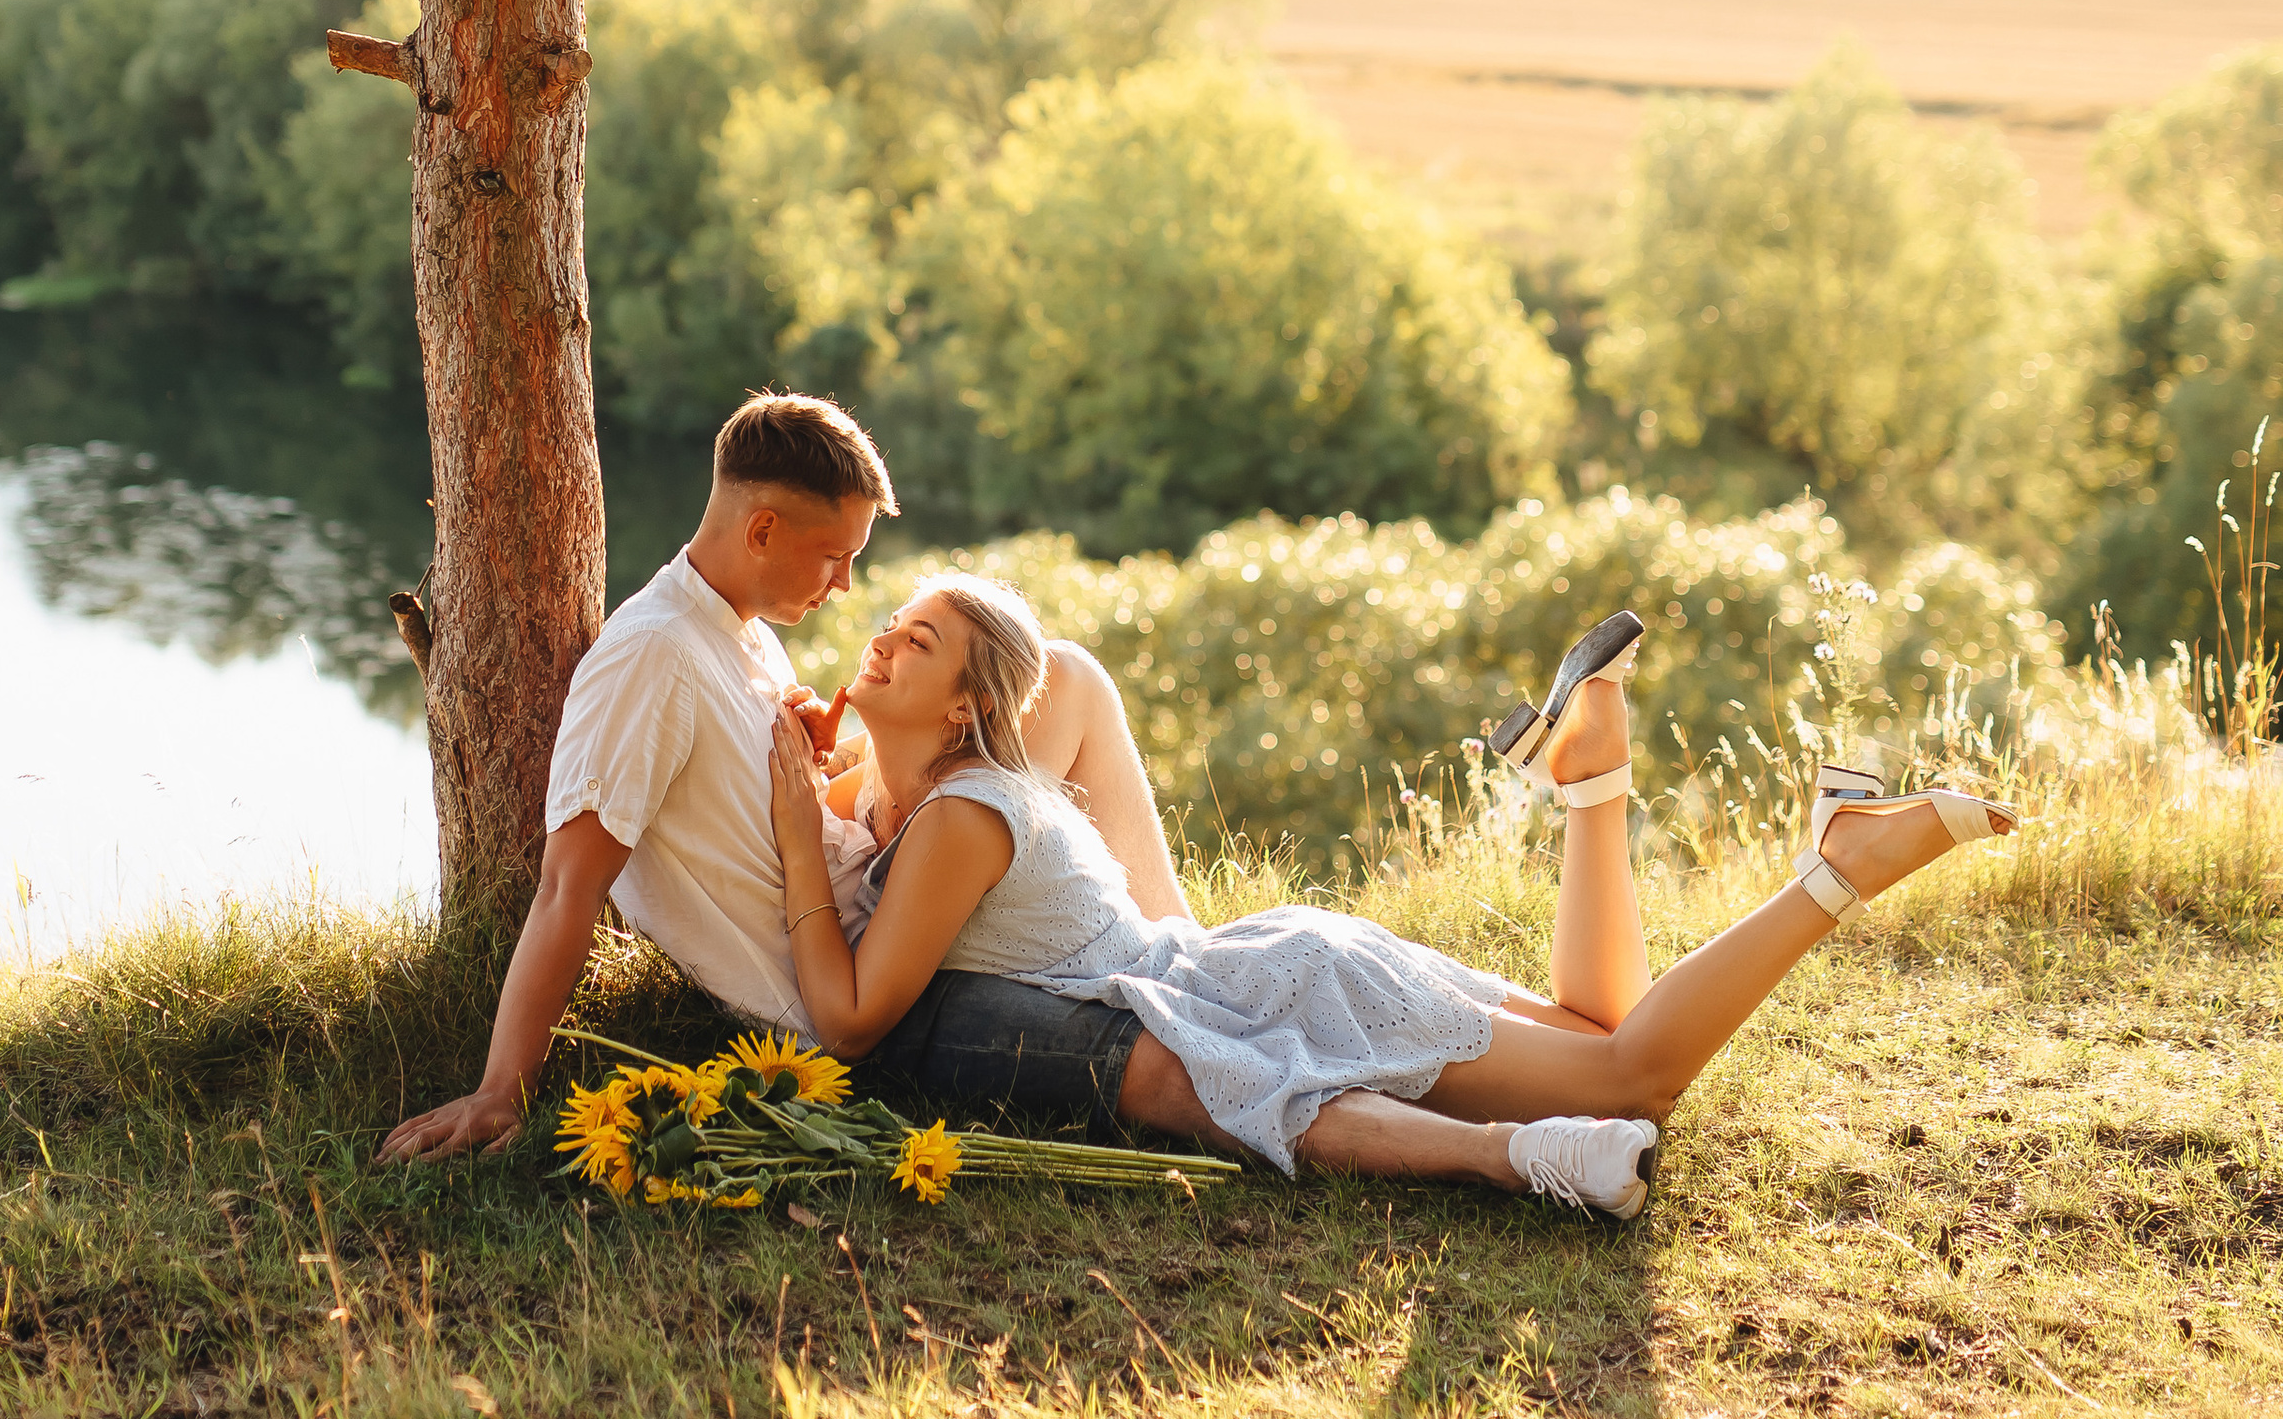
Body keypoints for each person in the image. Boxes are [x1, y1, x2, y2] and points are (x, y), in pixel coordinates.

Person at [767, 571, 2020, 1217]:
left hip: (1279, 987)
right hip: (1271, 961)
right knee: (1593, 1033)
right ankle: (1592, 778)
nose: (877, 639)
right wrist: (832, 777)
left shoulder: (957, 817)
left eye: (914, 640)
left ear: (971, 706)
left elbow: (852, 1016)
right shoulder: (916, 798)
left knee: (1629, 1075)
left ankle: (1833, 869)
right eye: (886, 620)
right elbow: (933, 781)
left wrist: (789, 805)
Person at [376, 390, 1219, 1164]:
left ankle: (1183, 956)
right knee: (1176, 1061)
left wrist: (825, 758)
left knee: (1066, 677)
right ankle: (1189, 983)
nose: (845, 583)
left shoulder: (739, 631)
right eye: (832, 555)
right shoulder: (651, 659)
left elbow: (755, 798)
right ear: (763, 530)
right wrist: (500, 1090)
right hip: (855, 984)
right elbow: (568, 886)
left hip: (885, 904)